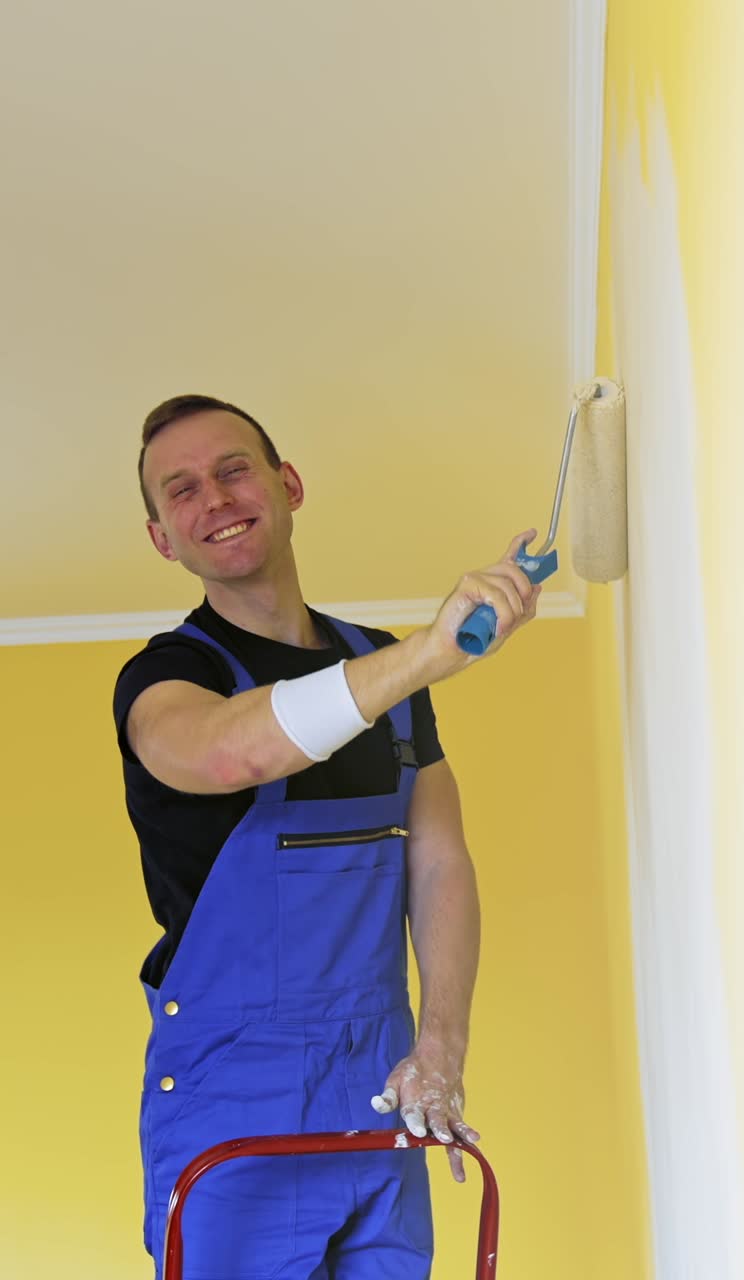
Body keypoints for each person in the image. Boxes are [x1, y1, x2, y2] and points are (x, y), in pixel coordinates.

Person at [113, 394, 538, 1278]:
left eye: (234, 469)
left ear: (288, 484)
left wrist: (441, 1049)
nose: (216, 498)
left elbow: (439, 860)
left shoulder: (378, 663)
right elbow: (227, 753)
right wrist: (425, 655)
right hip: (236, 1098)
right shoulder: (165, 678)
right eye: (181, 489)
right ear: (163, 538)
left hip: (380, 1086)